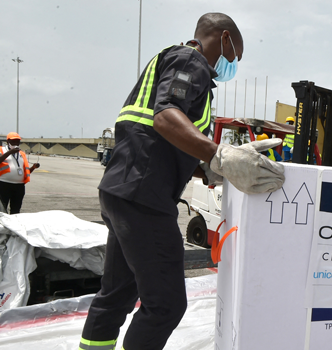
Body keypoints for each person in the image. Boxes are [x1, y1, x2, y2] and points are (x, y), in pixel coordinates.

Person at [80, 13, 284, 350]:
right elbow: (165, 116)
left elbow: (159, 140)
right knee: (166, 305)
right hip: (145, 197)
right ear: (224, 39)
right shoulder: (192, 61)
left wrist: (210, 169)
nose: (234, 63)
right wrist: (219, 154)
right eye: (237, 55)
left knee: (116, 295)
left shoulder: (166, 60)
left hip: (120, 190)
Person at [0, 132, 40, 214]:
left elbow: (25, 171)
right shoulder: (1, 150)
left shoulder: (22, 154)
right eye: (13, 141)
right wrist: (10, 152)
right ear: (8, 141)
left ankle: (14, 225)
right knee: (2, 210)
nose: (16, 143)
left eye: (17, 141)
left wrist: (33, 167)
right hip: (4, 184)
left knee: (16, 210)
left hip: (19, 186)